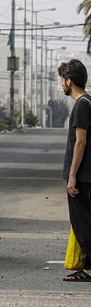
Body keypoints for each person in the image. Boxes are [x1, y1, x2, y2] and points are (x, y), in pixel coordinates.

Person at [58, 60, 91, 282]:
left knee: (83, 223)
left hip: (83, 177)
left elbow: (80, 142)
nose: (61, 85)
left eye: (62, 81)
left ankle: (88, 269)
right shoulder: (89, 102)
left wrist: (72, 176)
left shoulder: (81, 105)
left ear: (69, 81)